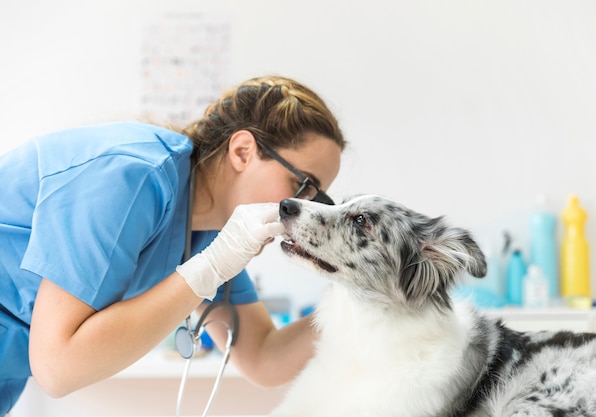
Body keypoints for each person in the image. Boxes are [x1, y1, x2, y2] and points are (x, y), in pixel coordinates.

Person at [0, 75, 346, 413]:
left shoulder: (209, 236)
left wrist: (353, 303)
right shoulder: (131, 175)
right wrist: (212, 266)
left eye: (317, 200)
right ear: (242, 152)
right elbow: (56, 369)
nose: (303, 212)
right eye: (301, 186)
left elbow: (262, 357)